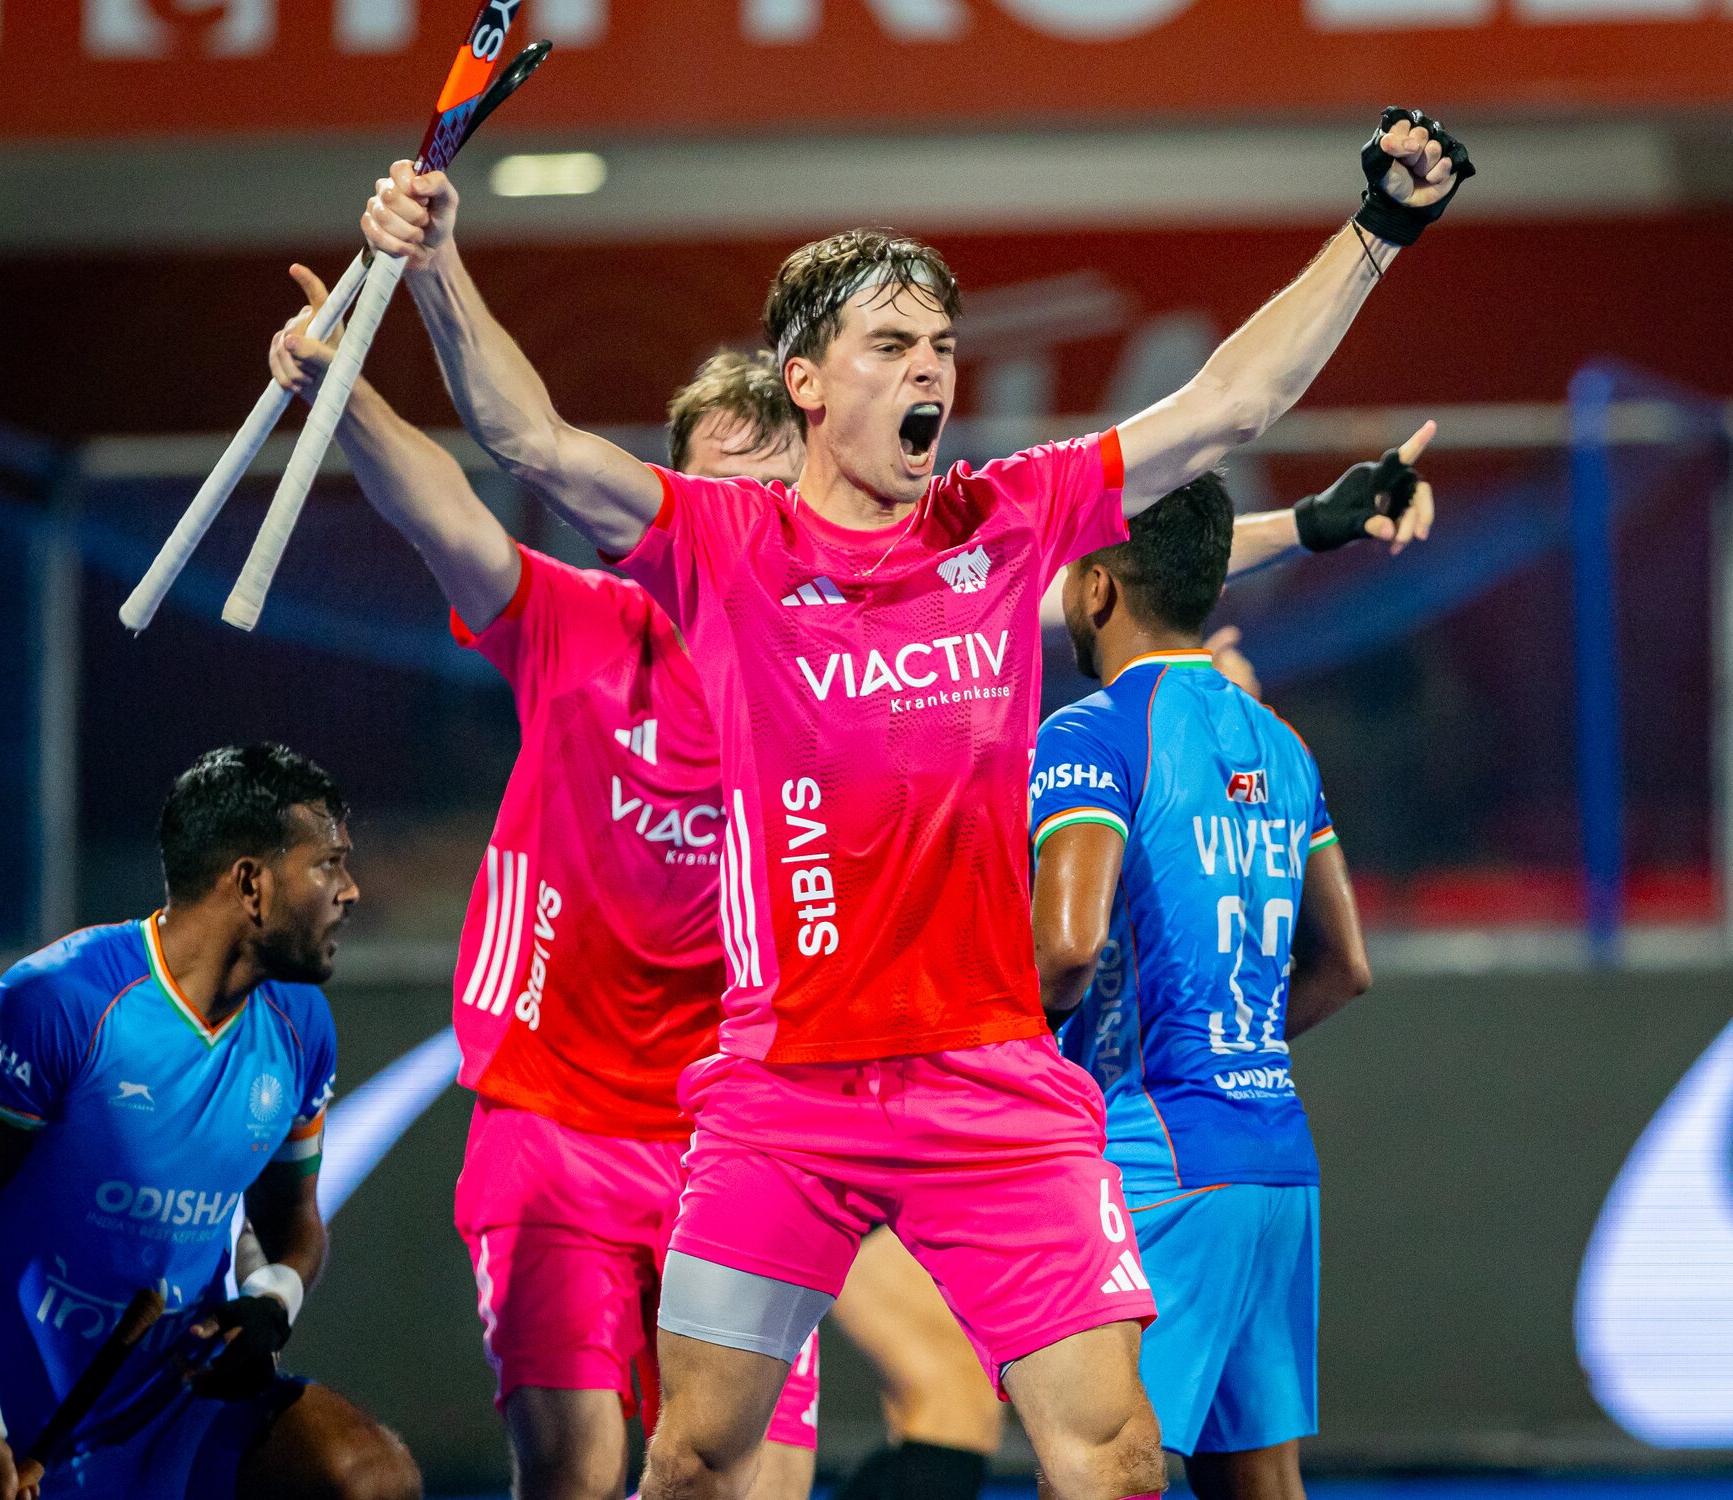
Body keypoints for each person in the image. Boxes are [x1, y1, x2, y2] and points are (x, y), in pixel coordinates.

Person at [359, 105, 1472, 1500]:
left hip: (987, 1077)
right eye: (889, 344)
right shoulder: (725, 542)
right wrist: (436, 266)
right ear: (807, 383)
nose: (928, 365)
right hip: (783, 1087)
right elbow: (527, 439)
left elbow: (1226, 408)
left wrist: (1377, 232)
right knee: (694, 1462)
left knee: (1117, 1455)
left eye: (940, 344)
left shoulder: (1005, 520)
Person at [269, 310, 819, 1500]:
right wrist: (343, 392)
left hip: (743, 1134)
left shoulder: (838, 674)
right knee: (575, 1469)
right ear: (664, 501)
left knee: (747, 1480)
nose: (736, 523)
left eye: (769, 497)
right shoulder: (577, 623)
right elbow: (447, 516)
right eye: (712, 492)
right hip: (554, 1123)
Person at [1029, 452, 1414, 1500]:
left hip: (1155, 1164)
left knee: (1098, 1473)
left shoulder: (1089, 732)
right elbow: (1344, 968)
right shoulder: (1280, 743)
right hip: (1274, 1160)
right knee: (1259, 1485)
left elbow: (1064, 952)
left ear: (1097, 588)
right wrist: (1228, 1048)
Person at [0, 744, 419, 1500]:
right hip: (16, 1420)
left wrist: (269, 1304)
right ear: (252, 884)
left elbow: (291, 1224)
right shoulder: (56, 1003)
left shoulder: (302, 1026)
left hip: (174, 1409)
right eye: (328, 864)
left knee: (369, 1479)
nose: (350, 890)